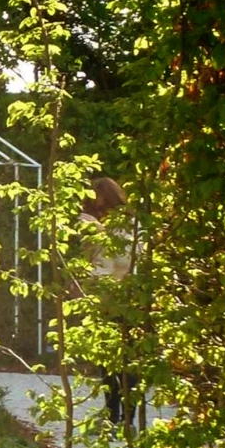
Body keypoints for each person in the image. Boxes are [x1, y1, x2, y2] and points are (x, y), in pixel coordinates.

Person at [80, 177, 133, 423]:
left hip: (127, 301)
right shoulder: (98, 228)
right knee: (107, 363)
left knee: (128, 363)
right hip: (104, 303)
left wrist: (100, 235)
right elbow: (92, 263)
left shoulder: (127, 226)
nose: (99, 213)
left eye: (101, 207)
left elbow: (117, 264)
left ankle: (128, 418)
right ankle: (112, 416)